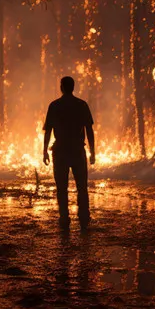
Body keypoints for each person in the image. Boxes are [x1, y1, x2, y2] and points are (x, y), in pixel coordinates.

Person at [43, 76, 95, 228]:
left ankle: (64, 217)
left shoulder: (54, 106)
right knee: (82, 187)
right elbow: (89, 130)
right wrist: (93, 152)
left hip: (60, 152)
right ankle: (84, 217)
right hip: (77, 150)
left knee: (61, 187)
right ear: (73, 87)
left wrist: (44, 151)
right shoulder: (81, 105)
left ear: (62, 87)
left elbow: (48, 131)